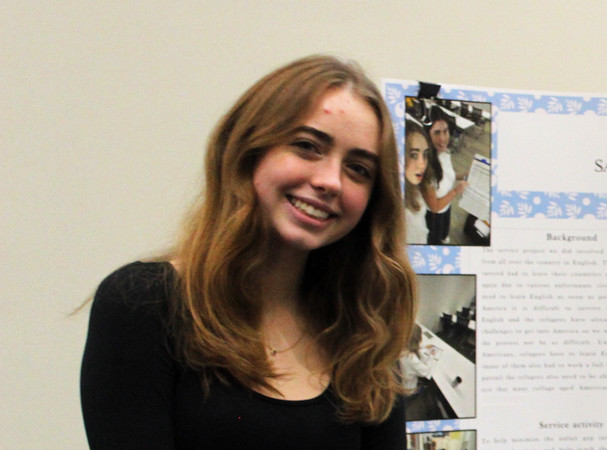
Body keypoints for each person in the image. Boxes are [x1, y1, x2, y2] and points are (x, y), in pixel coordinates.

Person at [80, 55, 418, 449]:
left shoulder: (364, 334)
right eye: (308, 147)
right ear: (247, 150)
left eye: (358, 169)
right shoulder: (144, 304)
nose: (331, 182)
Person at [421, 105, 467, 245]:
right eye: (437, 133)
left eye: (445, 131)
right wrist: (455, 191)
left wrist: (463, 175)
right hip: (434, 218)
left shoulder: (444, 152)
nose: (442, 138)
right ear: (428, 134)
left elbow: (448, 174)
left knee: (444, 236)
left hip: (446, 208)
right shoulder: (426, 167)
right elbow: (434, 207)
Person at [403, 122, 433, 245]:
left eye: (425, 155)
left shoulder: (415, 186)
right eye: (414, 155)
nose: (422, 164)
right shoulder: (402, 215)